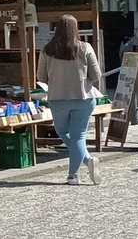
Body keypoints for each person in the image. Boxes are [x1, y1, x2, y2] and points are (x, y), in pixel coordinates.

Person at [38, 14, 102, 185]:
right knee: (78, 136)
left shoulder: (46, 50)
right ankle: (76, 172)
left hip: (57, 98)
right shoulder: (85, 47)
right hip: (83, 97)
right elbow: (96, 75)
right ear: (76, 29)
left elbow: (41, 77)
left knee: (62, 132)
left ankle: (84, 164)